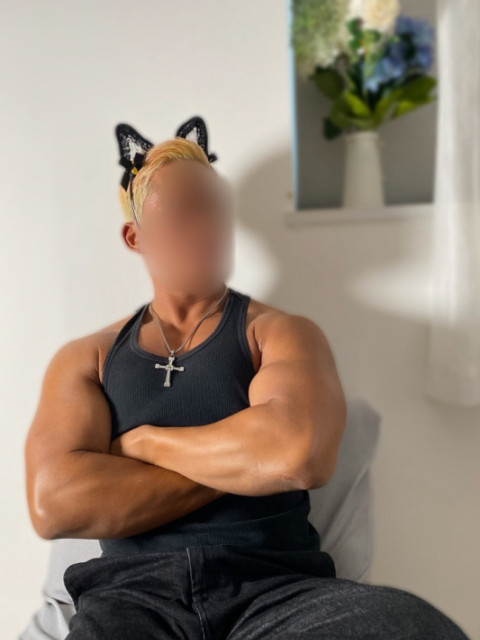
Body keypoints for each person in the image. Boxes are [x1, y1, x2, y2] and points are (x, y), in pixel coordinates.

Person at [24, 117, 470, 639]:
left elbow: (297, 454)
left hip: (277, 592)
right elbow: (54, 504)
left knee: (415, 626)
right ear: (134, 236)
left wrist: (143, 444)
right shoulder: (88, 358)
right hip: (131, 601)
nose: (209, 227)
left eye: (215, 208)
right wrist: (244, 459)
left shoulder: (280, 333)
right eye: (185, 210)